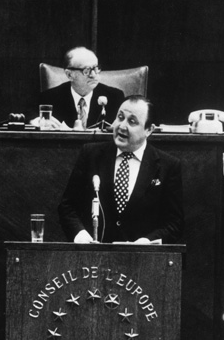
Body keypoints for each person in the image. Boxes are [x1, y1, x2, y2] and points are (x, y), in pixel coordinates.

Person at [58, 95, 183, 244]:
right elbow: (67, 207)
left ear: (149, 130)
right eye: (120, 117)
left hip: (143, 260)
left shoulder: (168, 165)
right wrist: (82, 237)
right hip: (93, 257)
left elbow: (174, 223)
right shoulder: (90, 154)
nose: (122, 126)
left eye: (132, 121)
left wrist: (147, 242)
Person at [34, 47, 125, 129]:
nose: (93, 75)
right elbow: (29, 116)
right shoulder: (50, 97)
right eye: (87, 70)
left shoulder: (115, 97)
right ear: (69, 75)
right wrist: (37, 121)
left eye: (96, 68)